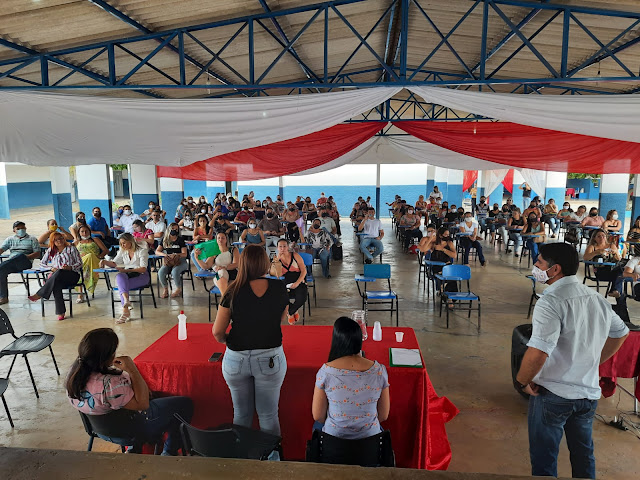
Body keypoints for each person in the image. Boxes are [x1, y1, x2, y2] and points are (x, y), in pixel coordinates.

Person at [515, 243, 629, 479]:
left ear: (555, 269)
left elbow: (539, 351)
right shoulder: (596, 298)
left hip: (553, 394)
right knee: (583, 454)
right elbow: (621, 332)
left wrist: (522, 381)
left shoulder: (550, 301)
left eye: (539, 262)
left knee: (544, 459)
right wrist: (593, 361)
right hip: (587, 395)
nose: (535, 266)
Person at [67, 328, 193, 456]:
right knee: (184, 404)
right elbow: (143, 404)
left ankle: (134, 449)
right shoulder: (110, 384)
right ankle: (169, 451)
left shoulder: (73, 375)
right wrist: (132, 370)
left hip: (98, 430)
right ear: (108, 356)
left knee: (130, 407)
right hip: (129, 432)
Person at [212, 245, 289, 439]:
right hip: (270, 357)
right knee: (268, 416)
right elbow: (280, 318)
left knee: (241, 415)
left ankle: (241, 456)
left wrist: (228, 341)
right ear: (265, 263)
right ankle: (271, 455)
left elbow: (217, 332)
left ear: (243, 264)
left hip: (236, 358)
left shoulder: (232, 290)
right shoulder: (279, 287)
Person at [312, 317, 390, 439]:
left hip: (334, 443)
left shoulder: (326, 372)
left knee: (317, 426)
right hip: (370, 443)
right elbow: (383, 416)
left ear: (336, 341)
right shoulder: (379, 371)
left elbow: (318, 416)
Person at [28, 232, 82, 321]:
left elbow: (79, 263)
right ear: (53, 241)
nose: (59, 241)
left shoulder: (71, 249)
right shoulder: (51, 250)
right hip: (57, 277)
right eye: (56, 240)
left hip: (72, 275)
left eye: (61, 238)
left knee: (59, 272)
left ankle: (40, 293)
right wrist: (51, 268)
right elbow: (42, 264)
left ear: (64, 239)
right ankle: (61, 312)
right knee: (56, 284)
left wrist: (70, 267)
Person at [100, 234, 150, 324]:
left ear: (131, 242)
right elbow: (114, 263)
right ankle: (126, 302)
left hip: (141, 276)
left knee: (122, 286)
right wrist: (104, 261)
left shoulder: (142, 251)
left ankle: (125, 310)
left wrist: (126, 270)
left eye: (124, 243)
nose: (122, 245)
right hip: (129, 275)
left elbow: (143, 269)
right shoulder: (122, 251)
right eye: (121, 243)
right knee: (120, 276)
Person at [0, 221, 41, 305]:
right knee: (1, 271)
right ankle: (4, 297)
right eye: (18, 229)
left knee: (20, 256)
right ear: (14, 230)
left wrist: (26, 257)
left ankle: (15, 259)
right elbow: (2, 249)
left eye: (22, 228)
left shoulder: (32, 239)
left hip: (25, 262)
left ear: (25, 228)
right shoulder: (10, 239)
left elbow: (37, 253)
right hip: (11, 264)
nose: (21, 230)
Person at [271, 239, 307, 325]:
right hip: (286, 281)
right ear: (277, 248)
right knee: (278, 296)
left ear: (288, 247)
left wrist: (297, 283)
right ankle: (293, 311)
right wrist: (277, 260)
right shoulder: (276, 259)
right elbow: (276, 275)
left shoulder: (295, 255)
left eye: (284, 246)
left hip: (299, 279)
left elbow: (304, 271)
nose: (282, 248)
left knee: (302, 298)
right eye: (280, 246)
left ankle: (290, 312)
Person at [74, 224, 108, 302]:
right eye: (82, 231)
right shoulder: (77, 242)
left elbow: (106, 250)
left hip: (95, 260)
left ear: (89, 232)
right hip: (82, 262)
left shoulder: (95, 239)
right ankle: (80, 293)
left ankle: (80, 294)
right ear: (79, 233)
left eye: (86, 231)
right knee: (81, 268)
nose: (84, 233)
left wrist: (100, 256)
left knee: (90, 256)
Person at [155, 223, 188, 298]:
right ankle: (165, 289)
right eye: (173, 229)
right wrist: (165, 255)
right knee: (161, 272)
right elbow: (157, 251)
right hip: (169, 262)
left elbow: (184, 254)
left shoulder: (180, 239)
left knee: (174, 272)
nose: (174, 231)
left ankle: (178, 288)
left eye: (176, 229)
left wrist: (176, 254)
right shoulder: (165, 240)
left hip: (180, 261)